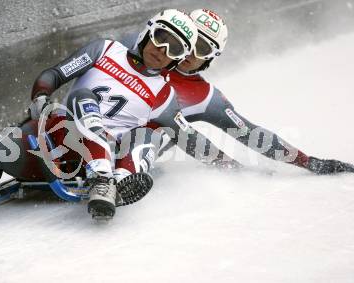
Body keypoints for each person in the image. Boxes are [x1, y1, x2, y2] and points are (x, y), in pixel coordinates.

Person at [0, 9, 228, 226]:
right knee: (13, 143)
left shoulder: (164, 96)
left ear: (178, 60)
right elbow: (54, 74)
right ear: (148, 31)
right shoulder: (105, 50)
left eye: (174, 48)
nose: (162, 49)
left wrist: (232, 166)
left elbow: (192, 140)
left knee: (150, 135)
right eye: (161, 37)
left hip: (92, 161)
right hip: (57, 139)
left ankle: (108, 181)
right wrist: (40, 97)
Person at [121, 8, 354, 175]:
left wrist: (308, 162)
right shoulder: (140, 44)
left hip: (134, 149)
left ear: (209, 59)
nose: (188, 51)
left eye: (200, 47)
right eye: (187, 40)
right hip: (94, 126)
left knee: (170, 128)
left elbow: (252, 134)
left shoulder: (206, 98)